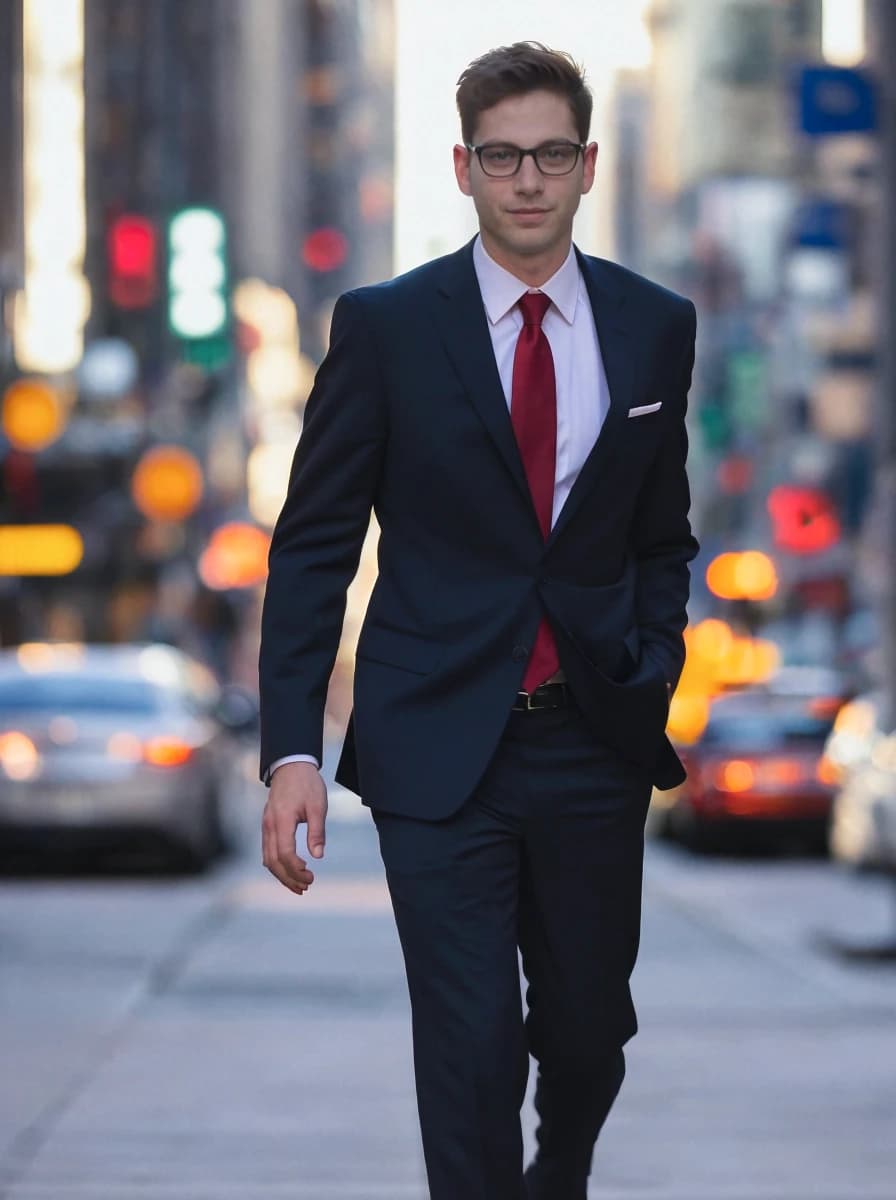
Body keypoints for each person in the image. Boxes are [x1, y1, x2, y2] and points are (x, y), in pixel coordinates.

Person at [259, 41, 698, 1200]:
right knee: (466, 1049)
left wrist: (654, 663)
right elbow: (312, 544)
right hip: (433, 746)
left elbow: (661, 536)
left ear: (588, 163)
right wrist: (292, 750)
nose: (526, 180)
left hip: (591, 738)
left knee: (587, 1031)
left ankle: (561, 1170)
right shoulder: (389, 328)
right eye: (500, 155)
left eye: (550, 153)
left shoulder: (654, 328)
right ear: (461, 167)